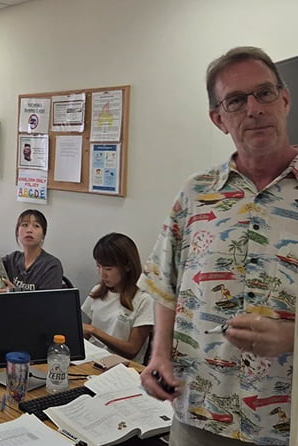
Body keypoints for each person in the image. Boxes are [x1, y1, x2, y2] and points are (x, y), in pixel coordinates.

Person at [138, 47, 294, 446]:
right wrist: (159, 354)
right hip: (200, 411)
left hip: (287, 421)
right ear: (218, 119)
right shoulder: (196, 194)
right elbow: (164, 284)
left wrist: (292, 337)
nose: (254, 109)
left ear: (285, 99)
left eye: (264, 93)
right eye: (235, 101)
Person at [82, 233, 153, 364]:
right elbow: (86, 334)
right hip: (92, 360)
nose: (102, 274)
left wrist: (94, 331)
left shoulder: (144, 299)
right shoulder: (98, 291)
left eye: (108, 268)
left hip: (122, 367)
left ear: (127, 266)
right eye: (98, 266)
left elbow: (132, 350)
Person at [0, 209, 63, 291]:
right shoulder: (12, 259)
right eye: (24, 225)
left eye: (36, 226)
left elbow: (47, 302)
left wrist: (14, 293)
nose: (29, 230)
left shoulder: (51, 266)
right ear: (17, 232)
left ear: (43, 234)